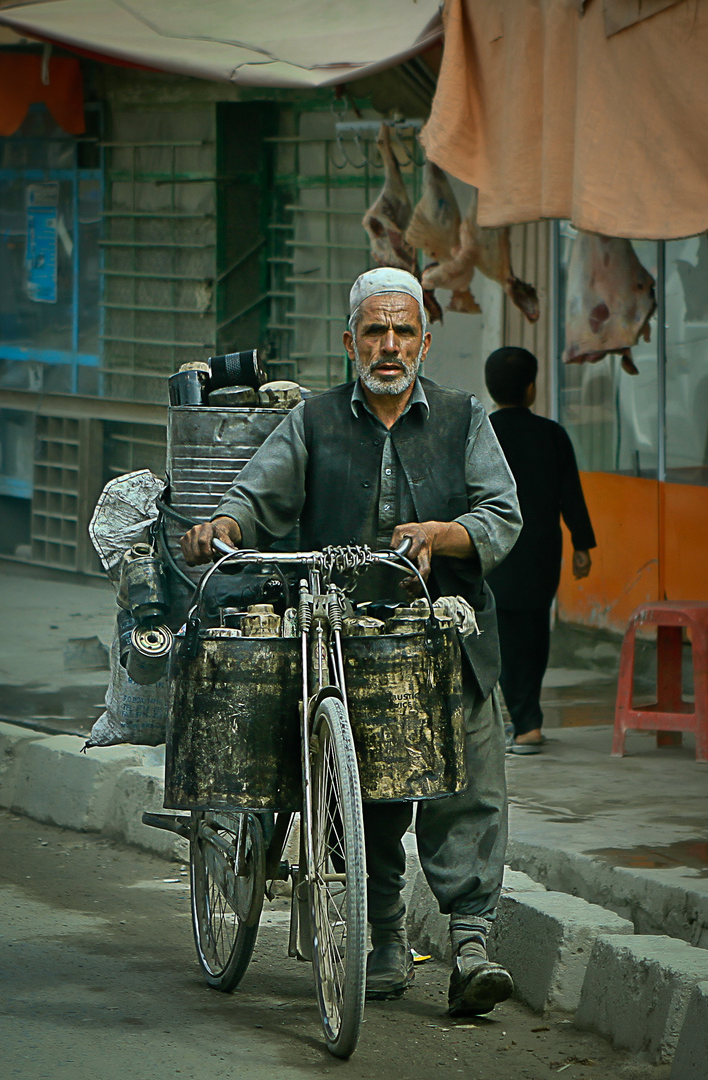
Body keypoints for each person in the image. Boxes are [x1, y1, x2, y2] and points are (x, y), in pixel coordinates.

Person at [181, 267, 523, 1017]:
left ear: (425, 341)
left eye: (403, 331)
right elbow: (255, 495)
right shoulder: (311, 422)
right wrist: (224, 528)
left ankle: (470, 947)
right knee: (357, 800)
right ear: (350, 343)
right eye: (375, 331)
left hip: (447, 639)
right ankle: (384, 940)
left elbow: (502, 515)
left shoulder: (465, 419)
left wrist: (444, 535)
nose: (390, 346)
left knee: (466, 793)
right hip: (338, 641)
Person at [484, 346, 596, 755]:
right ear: (531, 388)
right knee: (532, 632)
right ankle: (527, 721)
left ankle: (508, 721)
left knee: (497, 633)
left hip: (493, 550)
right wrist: (583, 545)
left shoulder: (481, 433)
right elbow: (572, 495)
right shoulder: (552, 434)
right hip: (540, 554)